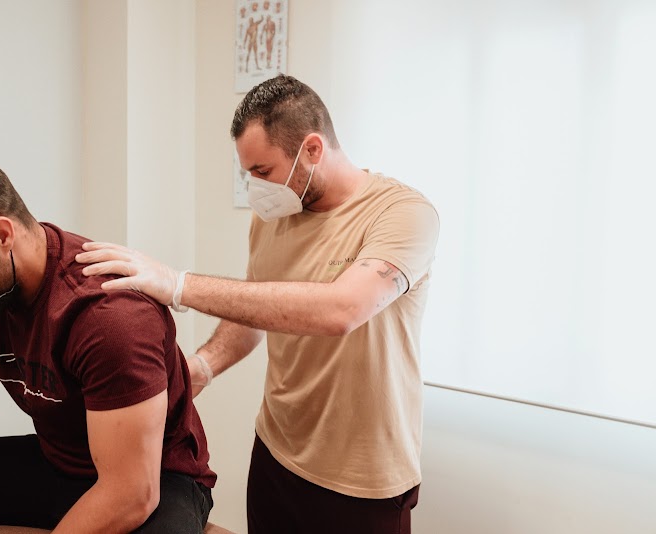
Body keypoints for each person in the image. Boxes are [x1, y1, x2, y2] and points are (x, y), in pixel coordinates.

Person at [75, 74, 440, 534]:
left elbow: (341, 310)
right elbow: (257, 312)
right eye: (247, 173)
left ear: (312, 149)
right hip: (276, 453)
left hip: (362, 476)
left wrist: (177, 284)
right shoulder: (274, 217)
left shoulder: (403, 214)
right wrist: (202, 367)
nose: (256, 187)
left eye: (263, 171)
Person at [0, 144, 216, 533]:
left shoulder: (107, 316)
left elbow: (131, 493)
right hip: (58, 462)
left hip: (157, 478)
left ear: (1, 235)